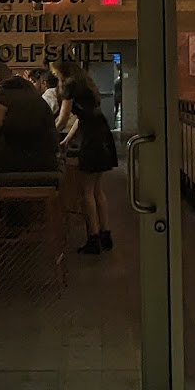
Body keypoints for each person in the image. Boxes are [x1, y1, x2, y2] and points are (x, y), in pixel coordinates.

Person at [54, 55, 118, 254]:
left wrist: (50, 134)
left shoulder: (69, 86)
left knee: (86, 192)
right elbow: (83, 118)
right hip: (101, 133)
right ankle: (105, 235)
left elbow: (63, 118)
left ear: (60, 71)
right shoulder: (86, 83)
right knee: (98, 189)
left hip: (90, 138)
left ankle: (93, 238)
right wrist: (66, 141)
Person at [0, 73, 60, 181]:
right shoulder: (28, 90)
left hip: (26, 161)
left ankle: (4, 191)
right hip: (48, 160)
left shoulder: (6, 87)